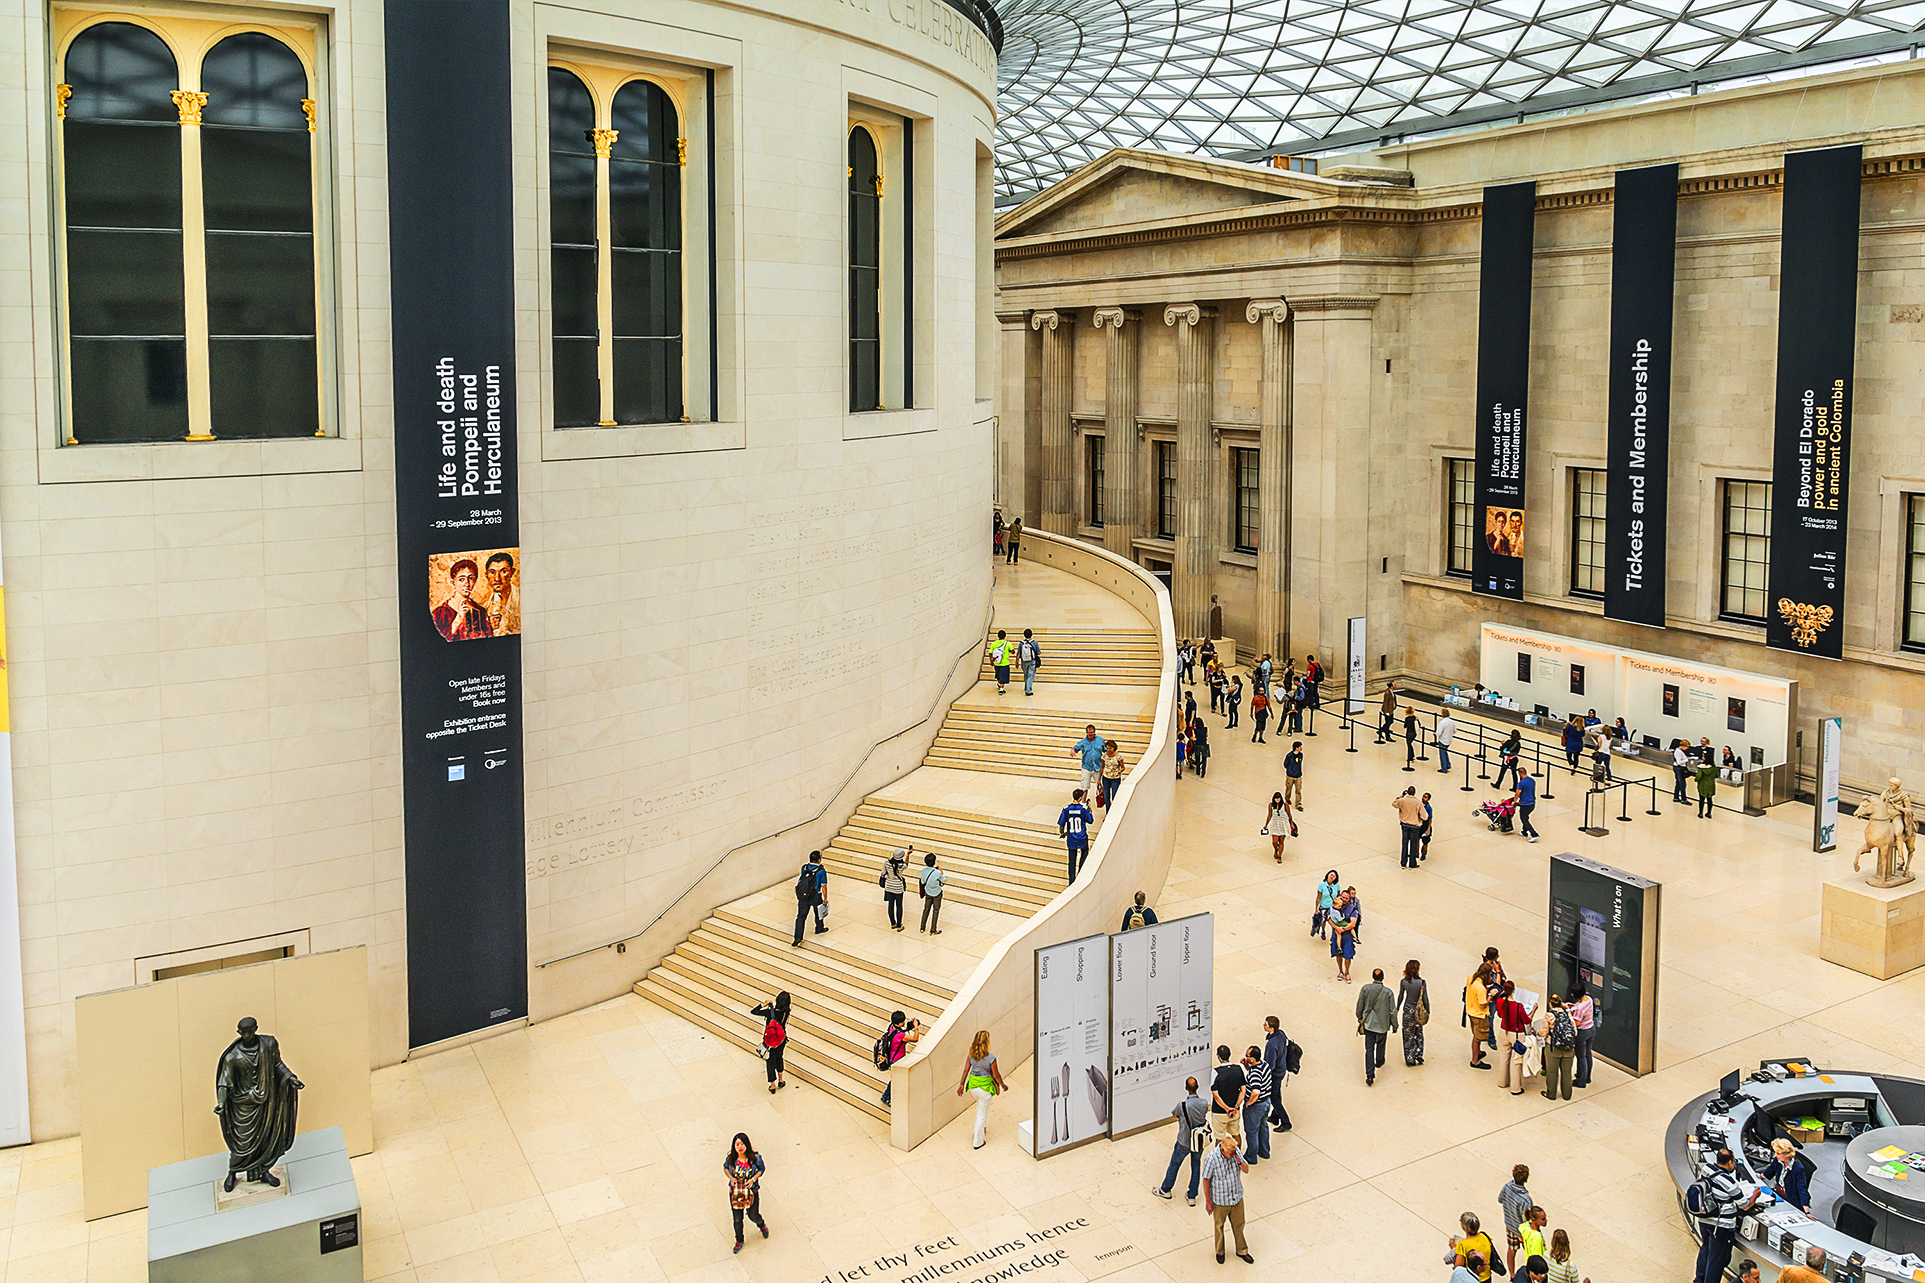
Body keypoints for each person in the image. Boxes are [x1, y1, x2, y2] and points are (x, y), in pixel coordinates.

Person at [1692, 1147, 1758, 1283]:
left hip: (1705, 1220)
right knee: (1717, 1260)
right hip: (1720, 1227)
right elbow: (1745, 1205)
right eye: (1733, 1161)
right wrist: (1755, 1196)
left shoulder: (1707, 1169)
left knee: (1705, 1250)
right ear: (1729, 1163)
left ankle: (1699, 1280)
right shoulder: (1729, 1182)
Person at [1151, 1077, 1210, 1205]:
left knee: (1175, 1164)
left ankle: (1166, 1189)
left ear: (1186, 1088)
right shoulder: (1204, 1103)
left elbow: (1175, 1114)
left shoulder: (1182, 1105)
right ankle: (1192, 1196)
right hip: (1198, 1141)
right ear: (1197, 1087)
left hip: (1184, 1141)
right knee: (1196, 1166)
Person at [1200, 1133, 1254, 1265]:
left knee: (1239, 1224)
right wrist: (1208, 1201)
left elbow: (1246, 1169)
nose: (1233, 1153)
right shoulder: (1211, 1158)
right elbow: (1206, 1180)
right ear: (1223, 1149)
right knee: (1219, 1227)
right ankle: (1220, 1252)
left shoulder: (1235, 1153)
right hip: (1220, 1200)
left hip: (1236, 1197)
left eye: (1234, 1151)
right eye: (1231, 1152)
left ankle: (1242, 1250)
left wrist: (1239, 1160)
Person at [955, 1030, 1005, 1149]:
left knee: (979, 1109)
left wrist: (961, 1084)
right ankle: (978, 1142)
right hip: (985, 1089)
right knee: (982, 1115)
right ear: (986, 1042)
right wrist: (1002, 1084)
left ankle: (980, 1130)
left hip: (973, 1087)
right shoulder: (991, 1057)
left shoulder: (971, 1055)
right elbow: (996, 1074)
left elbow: (966, 1070)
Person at [723, 1133, 768, 1253]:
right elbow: (725, 1168)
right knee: (737, 1219)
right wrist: (731, 1179)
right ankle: (739, 1240)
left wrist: (753, 1180)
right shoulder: (731, 1159)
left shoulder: (755, 1158)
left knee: (753, 1215)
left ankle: (761, 1225)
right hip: (736, 1193)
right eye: (737, 1144)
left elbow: (761, 1169)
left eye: (742, 1144)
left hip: (751, 1192)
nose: (740, 1147)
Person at [432, 558, 493, 640]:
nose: (467, 584)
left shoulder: (480, 611)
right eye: (461, 579)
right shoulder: (440, 613)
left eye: (471, 578)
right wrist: (459, 619)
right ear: (453, 582)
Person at [1356, 967, 1397, 1086]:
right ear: (1382, 978)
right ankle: (1379, 1061)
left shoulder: (1366, 989)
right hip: (1383, 1024)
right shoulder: (1388, 992)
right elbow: (1392, 1011)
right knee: (1381, 1043)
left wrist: (1359, 1017)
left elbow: (1360, 1005)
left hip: (1369, 1024)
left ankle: (1369, 1075)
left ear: (1373, 977)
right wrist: (1395, 1024)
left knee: (1369, 1049)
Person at [1495, 980, 1535, 1096]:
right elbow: (1526, 1020)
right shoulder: (1518, 1006)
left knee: (1504, 1057)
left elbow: (1501, 1014)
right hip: (1517, 1034)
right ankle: (1515, 1088)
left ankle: (1502, 1082)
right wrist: (1532, 1011)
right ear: (1513, 990)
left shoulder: (1499, 1001)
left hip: (1503, 1031)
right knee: (1516, 1061)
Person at [877, 1010, 920, 1106]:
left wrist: (909, 1027)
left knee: (896, 1079)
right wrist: (916, 1027)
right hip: (897, 1060)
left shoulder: (891, 1028)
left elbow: (901, 1031)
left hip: (891, 1058)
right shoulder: (900, 1035)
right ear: (900, 1023)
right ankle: (886, 1096)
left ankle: (888, 1095)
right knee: (895, 1080)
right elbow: (915, 1039)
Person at [1761, 1137, 1815, 1213]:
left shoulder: (1798, 1168)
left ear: (1785, 1154)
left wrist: (1805, 1208)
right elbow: (1770, 1170)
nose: (1776, 1155)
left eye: (1778, 1153)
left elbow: (1802, 1188)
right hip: (1779, 1193)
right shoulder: (1779, 1160)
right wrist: (1762, 1175)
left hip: (1791, 1199)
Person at [750, 993, 790, 1092]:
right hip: (781, 1039)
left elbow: (753, 1012)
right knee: (779, 1057)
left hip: (770, 1040)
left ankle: (772, 1086)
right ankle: (781, 1080)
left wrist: (764, 1005)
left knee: (770, 1062)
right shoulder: (786, 1012)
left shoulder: (769, 1012)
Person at [1497, 1165, 1533, 1276]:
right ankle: (1531, 1273)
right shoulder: (1526, 1199)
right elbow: (1527, 1220)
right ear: (1526, 1179)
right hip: (1522, 1232)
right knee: (1529, 1253)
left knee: (1512, 1249)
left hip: (1510, 1226)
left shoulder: (1507, 1186)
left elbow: (1500, 1199)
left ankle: (1512, 1274)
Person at [1541, 993, 1577, 1101]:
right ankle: (1567, 1095)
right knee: (1566, 1073)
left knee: (1552, 1072)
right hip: (1569, 1048)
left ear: (1550, 1004)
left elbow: (1544, 1032)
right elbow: (1574, 1032)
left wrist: (1536, 1032)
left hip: (1553, 1048)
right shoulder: (1568, 1015)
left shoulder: (1549, 1015)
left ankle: (1551, 1094)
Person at [1209, 1044, 1245, 1145]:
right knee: (1236, 1135)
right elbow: (1243, 1090)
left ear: (1218, 1057)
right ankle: (1238, 1157)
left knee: (1219, 1139)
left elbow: (1215, 1095)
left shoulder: (1216, 1072)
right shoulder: (1238, 1069)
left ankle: (1219, 1160)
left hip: (1219, 1112)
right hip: (1235, 1111)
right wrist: (1235, 1107)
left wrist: (1227, 1108)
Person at [1240, 1047, 1272, 1161]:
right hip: (1266, 1102)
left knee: (1251, 1131)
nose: (1246, 1057)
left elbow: (1256, 1091)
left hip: (1256, 1106)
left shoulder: (1255, 1073)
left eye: (1247, 1056)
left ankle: (1251, 1156)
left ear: (1252, 1059)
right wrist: (1246, 1066)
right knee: (1263, 1127)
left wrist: (1249, 1103)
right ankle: (1264, 1151)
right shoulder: (1264, 1064)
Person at [1262, 1016, 1292, 1131]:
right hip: (1282, 1070)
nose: (1264, 1026)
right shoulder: (1281, 1034)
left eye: (1266, 1024)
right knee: (1276, 1094)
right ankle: (1274, 1117)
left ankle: (1286, 1122)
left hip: (1275, 1074)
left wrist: (1264, 1075)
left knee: (1274, 1098)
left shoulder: (1271, 1044)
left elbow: (1270, 1064)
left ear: (1271, 1028)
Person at [1448, 1212, 1497, 1283]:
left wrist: (1453, 1248)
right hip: (1487, 1277)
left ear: (1464, 1227)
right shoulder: (1484, 1236)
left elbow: (1458, 1267)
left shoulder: (1462, 1244)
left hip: (1471, 1279)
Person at [792, 850, 827, 946]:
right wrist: (825, 898)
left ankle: (798, 937)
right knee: (818, 913)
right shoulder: (821, 871)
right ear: (819, 860)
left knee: (800, 917)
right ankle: (819, 928)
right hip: (815, 895)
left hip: (803, 896)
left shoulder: (804, 867)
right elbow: (823, 885)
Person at [1059, 789, 1095, 883]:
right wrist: (1089, 809)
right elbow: (1090, 820)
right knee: (1084, 852)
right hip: (1082, 837)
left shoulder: (1066, 809)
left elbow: (1061, 823)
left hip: (1071, 839)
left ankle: (1071, 881)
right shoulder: (1083, 809)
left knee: (1072, 860)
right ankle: (1081, 874)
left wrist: (1062, 833)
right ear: (1080, 798)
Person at [1464, 961, 1495, 1069]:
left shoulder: (1471, 977)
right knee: (1477, 1037)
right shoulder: (1480, 989)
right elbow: (1483, 1004)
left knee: (1476, 1033)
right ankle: (1475, 1061)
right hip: (1479, 1014)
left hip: (1471, 1010)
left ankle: (1478, 1052)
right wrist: (1490, 995)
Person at [1398, 959, 1428, 1067]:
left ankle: (1410, 1057)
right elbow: (1425, 999)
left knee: (1408, 1034)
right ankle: (1419, 1053)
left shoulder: (1404, 982)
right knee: (1418, 1032)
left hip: (1407, 1010)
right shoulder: (1422, 983)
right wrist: (1427, 1011)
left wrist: (1397, 1008)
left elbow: (1401, 996)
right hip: (1418, 1011)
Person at [482, 551, 520, 636]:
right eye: (492, 572)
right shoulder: (486, 606)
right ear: (486, 575)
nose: (497, 578)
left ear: (512, 572)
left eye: (504, 571)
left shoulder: (522, 598)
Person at [1568, 982, 1595, 1088]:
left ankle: (1580, 1081)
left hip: (1582, 1032)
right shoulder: (1589, 999)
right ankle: (1587, 1077)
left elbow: (1577, 1023)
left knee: (1581, 1057)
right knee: (1588, 1054)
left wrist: (1570, 1013)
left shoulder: (1579, 1008)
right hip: (1591, 1029)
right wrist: (1574, 1007)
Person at [1328, 889, 1358, 981]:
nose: (1344, 899)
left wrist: (1343, 929)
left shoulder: (1352, 909)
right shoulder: (1334, 906)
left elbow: (1353, 923)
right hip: (1336, 935)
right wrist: (1336, 928)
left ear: (1349, 899)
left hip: (1347, 937)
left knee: (1348, 956)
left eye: (1346, 898)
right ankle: (1340, 971)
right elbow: (1328, 918)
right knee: (1338, 955)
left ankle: (1347, 972)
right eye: (1343, 897)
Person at [1072, 725, 1107, 800]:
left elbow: (1105, 750)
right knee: (1085, 786)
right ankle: (1083, 802)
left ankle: (1101, 800)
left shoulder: (1100, 740)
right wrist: (1073, 751)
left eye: (1091, 732)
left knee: (1099, 785)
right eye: (1089, 733)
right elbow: (1075, 748)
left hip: (1097, 767)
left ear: (1094, 732)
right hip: (1086, 767)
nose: (1090, 734)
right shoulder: (1083, 742)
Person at [1393, 786, 1425, 869]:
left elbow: (1394, 804)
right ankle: (1412, 863)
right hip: (1415, 826)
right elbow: (1425, 816)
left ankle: (1403, 862)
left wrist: (1401, 796)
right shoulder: (1418, 803)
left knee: (1405, 843)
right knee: (1413, 845)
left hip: (1405, 825)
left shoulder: (1402, 800)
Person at [880, 847, 909, 932]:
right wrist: (908, 855)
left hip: (888, 886)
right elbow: (906, 864)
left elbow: (882, 873)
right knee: (899, 906)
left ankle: (893, 923)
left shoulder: (887, 863)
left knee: (890, 905)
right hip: (898, 887)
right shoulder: (902, 866)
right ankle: (899, 925)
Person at [918, 851, 945, 934]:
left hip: (928, 892)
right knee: (935, 911)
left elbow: (922, 881)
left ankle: (922, 927)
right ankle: (933, 930)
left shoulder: (923, 871)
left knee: (926, 909)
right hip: (937, 893)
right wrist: (941, 872)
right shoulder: (937, 872)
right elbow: (944, 880)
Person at [1518, 1207, 1548, 1274]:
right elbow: (1537, 1257)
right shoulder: (1537, 1238)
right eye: (1543, 1219)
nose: (1545, 1220)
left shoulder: (1526, 1227)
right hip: (1537, 1269)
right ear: (1534, 1220)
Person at [1312, 869, 1340, 939]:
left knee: (1333, 921)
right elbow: (1318, 897)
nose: (1332, 877)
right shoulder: (1322, 885)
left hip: (1333, 906)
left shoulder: (1336, 885)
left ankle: (1334, 934)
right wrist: (1316, 909)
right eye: (1331, 875)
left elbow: (1338, 895)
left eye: (1334, 876)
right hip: (1324, 906)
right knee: (1323, 921)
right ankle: (1323, 930)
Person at [1515, 766, 1539, 842]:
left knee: (1524, 819)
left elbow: (1518, 792)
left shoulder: (1521, 783)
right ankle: (1524, 832)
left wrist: (1515, 800)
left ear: (1520, 773)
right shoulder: (1532, 780)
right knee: (1525, 817)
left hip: (1525, 804)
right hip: (1532, 803)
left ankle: (1534, 834)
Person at [1099, 740, 1126, 808]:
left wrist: (1119, 771)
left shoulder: (1118, 756)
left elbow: (1123, 767)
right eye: (1107, 748)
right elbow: (1102, 767)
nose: (1109, 750)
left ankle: (1114, 810)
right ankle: (1108, 812)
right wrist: (1099, 779)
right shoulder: (1104, 755)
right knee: (1106, 797)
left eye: (1110, 748)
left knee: (1115, 795)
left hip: (1115, 778)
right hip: (1106, 777)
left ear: (1114, 747)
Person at [1264, 792, 1290, 863]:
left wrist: (1291, 823)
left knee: (1281, 841)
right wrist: (1266, 824)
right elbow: (1269, 815)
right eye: (1276, 799)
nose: (1277, 800)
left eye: (1278, 799)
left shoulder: (1285, 804)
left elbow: (1289, 814)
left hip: (1283, 824)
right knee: (1275, 841)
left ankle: (1279, 856)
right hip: (1275, 824)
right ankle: (1276, 849)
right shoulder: (1271, 805)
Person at [1018, 628, 1042, 696]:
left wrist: (1016, 662)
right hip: (1032, 661)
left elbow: (1018, 654)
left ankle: (1026, 687)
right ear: (1031, 635)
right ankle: (1028, 690)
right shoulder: (1034, 642)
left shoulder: (1021, 643)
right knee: (1031, 675)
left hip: (1024, 661)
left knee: (1026, 674)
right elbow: (1039, 652)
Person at [989, 629, 1014, 695]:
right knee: (1003, 675)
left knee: (998, 674)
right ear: (1005, 636)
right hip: (1004, 662)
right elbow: (1012, 651)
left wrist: (991, 661)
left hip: (996, 662)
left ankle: (999, 684)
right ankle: (1001, 689)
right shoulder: (1008, 643)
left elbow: (990, 653)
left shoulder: (994, 644)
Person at [1283, 741, 1305, 812]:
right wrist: (1290, 770)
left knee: (1298, 790)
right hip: (1290, 775)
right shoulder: (1289, 755)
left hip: (1298, 775)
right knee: (1289, 788)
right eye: (1300, 747)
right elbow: (1285, 764)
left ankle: (1298, 803)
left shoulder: (1301, 755)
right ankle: (1287, 799)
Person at [1377, 678, 1400, 743]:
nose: (1395, 685)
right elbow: (1385, 702)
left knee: (1390, 721)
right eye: (1394, 684)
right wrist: (1386, 711)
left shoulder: (1391, 691)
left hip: (1391, 710)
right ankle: (1387, 736)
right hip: (1388, 711)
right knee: (1388, 722)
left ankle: (1381, 730)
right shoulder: (1387, 693)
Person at [1672, 738, 1692, 804]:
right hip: (1679, 768)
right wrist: (1687, 759)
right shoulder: (1678, 752)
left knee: (1678, 783)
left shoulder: (1679, 751)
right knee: (1682, 784)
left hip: (1678, 767)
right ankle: (1684, 799)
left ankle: (1676, 797)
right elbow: (1679, 762)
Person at [1419, 791, 1435, 860]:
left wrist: (1428, 829)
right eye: (1423, 796)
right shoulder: (1419, 805)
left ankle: (1423, 854)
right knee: (1416, 839)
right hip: (1419, 824)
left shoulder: (1429, 808)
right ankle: (1416, 853)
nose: (1423, 798)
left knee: (1425, 842)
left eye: (1425, 797)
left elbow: (1430, 818)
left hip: (1425, 826)